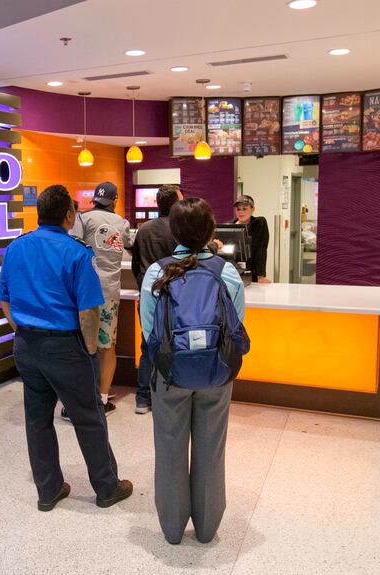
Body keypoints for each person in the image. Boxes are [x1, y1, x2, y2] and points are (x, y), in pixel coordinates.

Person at [0, 184, 133, 512]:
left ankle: (48, 490)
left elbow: (4, 299)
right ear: (70, 215)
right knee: (88, 416)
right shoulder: (76, 253)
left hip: (26, 345)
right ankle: (106, 487)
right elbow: (89, 310)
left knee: (38, 419)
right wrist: (88, 349)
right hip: (65, 346)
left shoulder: (15, 248)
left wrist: (26, 331)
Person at [139, 197, 245, 545]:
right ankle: (207, 527)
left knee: (169, 447)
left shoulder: (158, 272)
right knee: (211, 447)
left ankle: (172, 528)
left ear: (174, 230)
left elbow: (149, 331)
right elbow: (235, 326)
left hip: (170, 375)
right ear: (211, 230)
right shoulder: (227, 272)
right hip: (216, 374)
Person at [66, 181, 132, 418]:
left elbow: (72, 249)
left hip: (83, 293)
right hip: (109, 293)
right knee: (107, 347)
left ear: (95, 199)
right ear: (114, 201)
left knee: (81, 346)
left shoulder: (83, 219)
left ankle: (74, 401)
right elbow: (130, 246)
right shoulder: (122, 224)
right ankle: (102, 400)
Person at [130, 184, 183, 414]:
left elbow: (135, 264)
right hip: (176, 296)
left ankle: (143, 399)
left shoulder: (144, 229)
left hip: (149, 296)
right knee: (176, 345)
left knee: (148, 346)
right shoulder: (180, 229)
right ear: (175, 203)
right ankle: (172, 396)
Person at [231, 195, 271, 283]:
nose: (241, 212)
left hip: (252, 274)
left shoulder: (259, 224)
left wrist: (260, 276)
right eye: (238, 209)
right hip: (233, 274)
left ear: (252, 209)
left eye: (244, 209)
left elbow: (261, 249)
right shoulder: (229, 227)